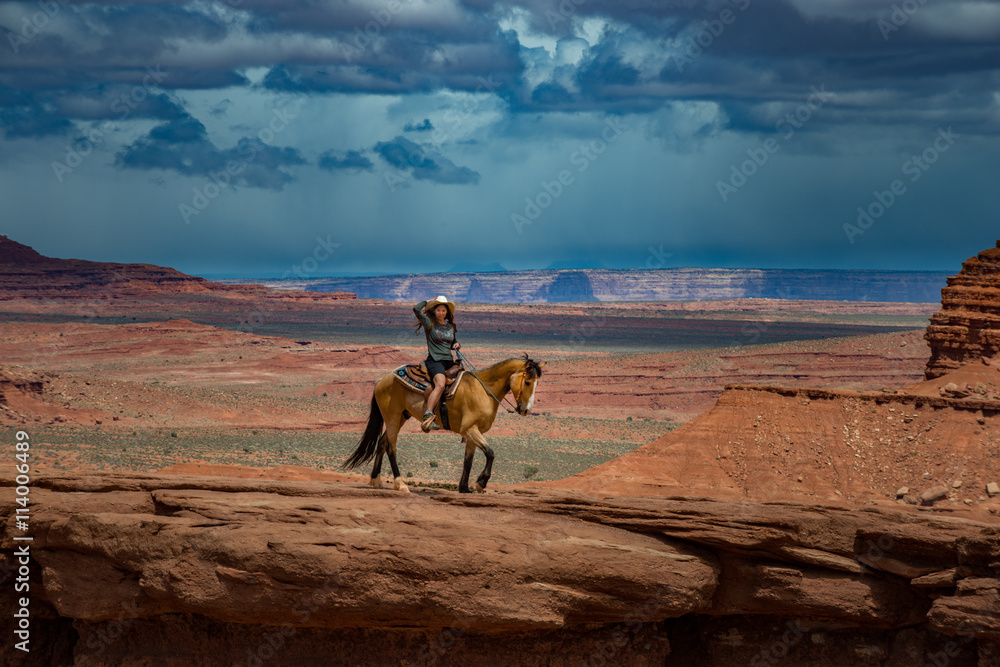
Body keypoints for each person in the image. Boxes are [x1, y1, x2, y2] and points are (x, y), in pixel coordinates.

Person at [413, 295, 461, 432]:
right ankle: (428, 415)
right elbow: (416, 309)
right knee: (440, 384)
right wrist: (427, 301)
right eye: (438, 310)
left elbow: (452, 342)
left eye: (443, 310)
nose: (441, 313)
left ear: (447, 312)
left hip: (449, 361)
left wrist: (456, 344)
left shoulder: (451, 326)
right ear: (434, 311)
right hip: (435, 360)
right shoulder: (430, 323)